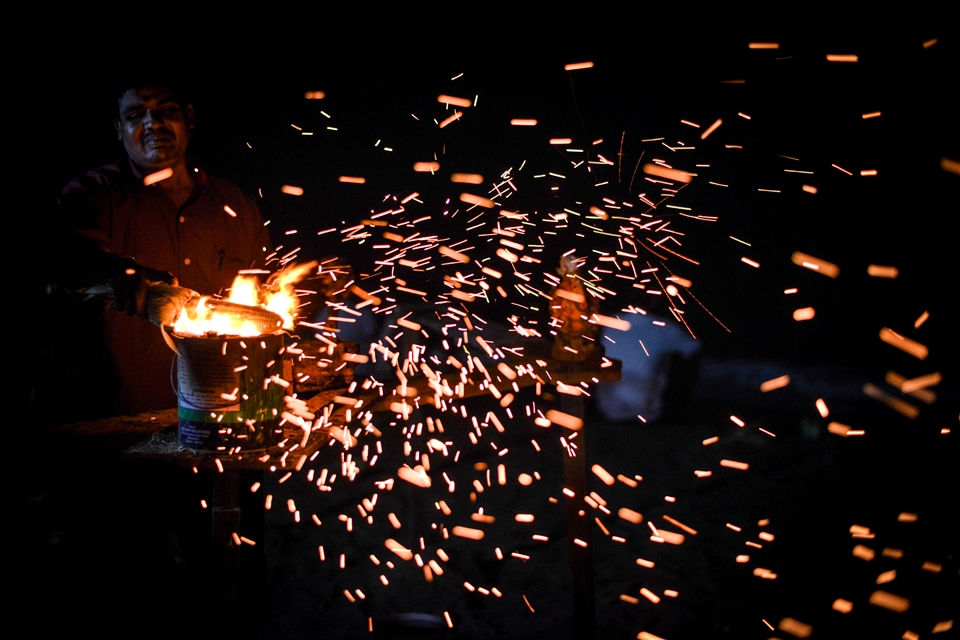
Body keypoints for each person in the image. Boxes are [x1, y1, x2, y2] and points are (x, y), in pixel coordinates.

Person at [55, 73, 272, 416]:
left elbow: (269, 292)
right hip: (121, 419)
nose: (152, 123)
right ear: (119, 129)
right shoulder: (93, 194)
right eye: (135, 115)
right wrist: (117, 273)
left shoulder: (235, 205)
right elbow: (70, 259)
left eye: (166, 111)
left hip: (222, 414)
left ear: (190, 117)